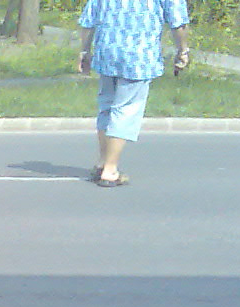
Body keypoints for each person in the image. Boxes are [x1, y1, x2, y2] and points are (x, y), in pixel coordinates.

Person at [77, 0, 191, 188]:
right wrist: (183, 50)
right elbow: (178, 22)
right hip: (139, 57)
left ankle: (102, 162)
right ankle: (110, 170)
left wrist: (84, 51)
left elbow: (89, 19)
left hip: (107, 52)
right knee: (126, 110)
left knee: (106, 106)